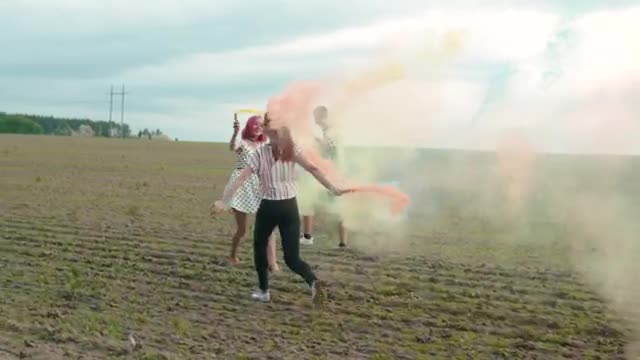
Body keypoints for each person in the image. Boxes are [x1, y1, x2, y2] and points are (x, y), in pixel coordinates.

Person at [214, 112, 350, 305]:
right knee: (292, 258)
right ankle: (313, 283)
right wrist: (332, 187)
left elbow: (241, 177)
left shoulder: (260, 153)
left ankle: (263, 291)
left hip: (268, 207)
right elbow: (313, 169)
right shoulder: (293, 149)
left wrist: (225, 200)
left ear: (268, 130)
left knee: (259, 248)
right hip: (289, 208)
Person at [217, 114, 279, 272]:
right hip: (241, 186)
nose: (258, 127)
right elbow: (232, 147)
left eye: (261, 125)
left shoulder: (263, 145)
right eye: (255, 124)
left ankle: (272, 263)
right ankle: (232, 255)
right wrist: (235, 133)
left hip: (258, 185)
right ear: (249, 126)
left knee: (269, 225)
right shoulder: (242, 143)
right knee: (242, 229)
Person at [298, 105, 347, 247]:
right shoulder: (330, 131)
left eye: (316, 118)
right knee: (336, 207)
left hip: (332, 173)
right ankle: (342, 242)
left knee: (309, 200)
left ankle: (308, 237)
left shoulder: (331, 132)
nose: (314, 121)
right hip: (334, 172)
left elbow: (328, 149)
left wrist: (315, 142)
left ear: (321, 117)